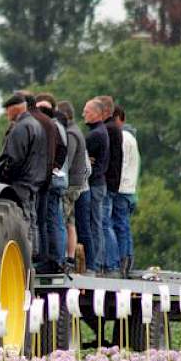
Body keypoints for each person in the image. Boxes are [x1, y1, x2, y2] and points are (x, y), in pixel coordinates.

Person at [0, 93, 48, 250]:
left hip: (20, 182)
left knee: (22, 223)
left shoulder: (21, 127)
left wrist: (3, 176)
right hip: (33, 181)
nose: (6, 114)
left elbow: (14, 160)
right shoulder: (36, 125)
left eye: (7, 110)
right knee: (31, 220)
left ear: (15, 108)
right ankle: (32, 258)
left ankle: (26, 259)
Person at [34, 93, 68, 274]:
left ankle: (54, 259)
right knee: (56, 220)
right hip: (58, 177)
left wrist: (51, 168)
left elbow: (62, 149)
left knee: (51, 220)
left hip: (53, 180)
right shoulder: (60, 125)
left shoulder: (52, 126)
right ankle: (58, 258)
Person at [56, 100, 89, 271]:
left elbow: (66, 161)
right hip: (77, 184)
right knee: (70, 222)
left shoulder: (70, 134)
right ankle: (69, 257)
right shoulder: (77, 131)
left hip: (70, 185)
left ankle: (64, 257)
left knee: (62, 220)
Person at [113, 105, 141, 276]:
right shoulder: (132, 138)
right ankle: (128, 258)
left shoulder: (122, 138)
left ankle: (123, 260)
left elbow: (120, 165)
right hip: (130, 190)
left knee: (120, 226)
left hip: (121, 188)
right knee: (125, 227)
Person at [82, 99, 109, 274]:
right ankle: (98, 261)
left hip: (95, 184)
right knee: (97, 223)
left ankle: (96, 262)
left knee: (94, 223)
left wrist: (87, 160)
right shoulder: (101, 132)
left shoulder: (96, 135)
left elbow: (83, 156)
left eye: (87, 111)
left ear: (98, 114)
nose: (84, 114)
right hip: (100, 183)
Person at [97, 95, 122, 274]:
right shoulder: (115, 128)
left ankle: (112, 263)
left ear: (105, 111)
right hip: (114, 181)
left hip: (107, 181)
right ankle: (112, 262)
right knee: (107, 222)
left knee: (105, 223)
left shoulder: (108, 129)